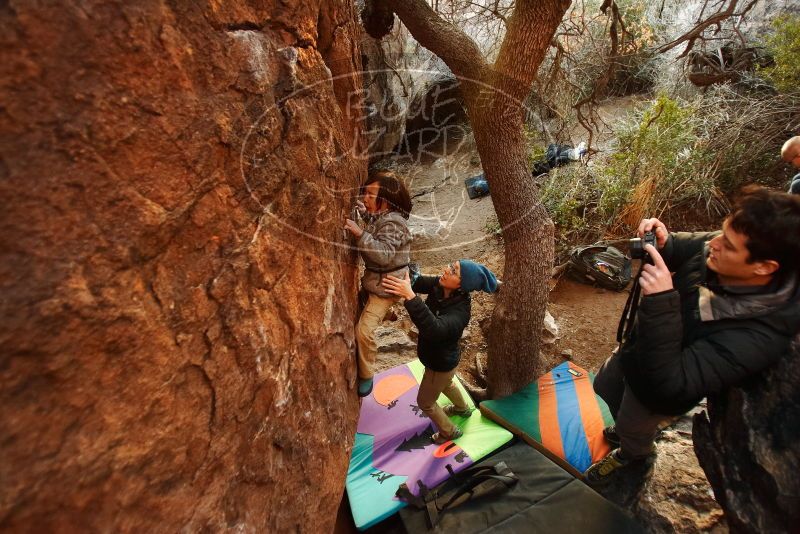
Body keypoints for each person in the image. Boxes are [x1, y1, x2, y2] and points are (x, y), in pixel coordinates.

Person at [584, 185, 800, 485]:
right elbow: (687, 248)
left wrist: (661, 303)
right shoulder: (725, 249)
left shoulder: (759, 334)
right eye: (721, 231)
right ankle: (624, 430)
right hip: (642, 349)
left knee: (635, 423)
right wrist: (664, 242)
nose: (715, 243)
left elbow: (670, 387)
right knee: (607, 385)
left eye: (729, 244)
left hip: (657, 382)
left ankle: (633, 455)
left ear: (764, 267)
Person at [382, 260, 498, 444]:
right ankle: (462, 409)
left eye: (454, 271)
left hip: (440, 364)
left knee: (425, 403)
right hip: (445, 362)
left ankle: (449, 432)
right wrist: (404, 271)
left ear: (462, 285)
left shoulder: (461, 312)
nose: (446, 270)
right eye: (451, 265)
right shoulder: (440, 285)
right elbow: (419, 282)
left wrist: (411, 297)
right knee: (447, 383)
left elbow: (435, 330)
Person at [344, 170, 412, 397]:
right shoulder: (387, 217)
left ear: (388, 200)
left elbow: (383, 254)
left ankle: (367, 373)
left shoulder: (396, 223)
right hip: (376, 283)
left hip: (385, 289)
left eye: (371, 195)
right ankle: (387, 314)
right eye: (366, 193)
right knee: (364, 304)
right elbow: (379, 225)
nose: (365, 198)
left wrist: (360, 233)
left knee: (363, 330)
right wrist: (366, 216)